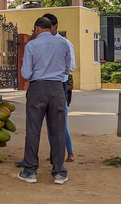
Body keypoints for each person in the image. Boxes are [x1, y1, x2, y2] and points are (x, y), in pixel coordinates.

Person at [18, 17, 72, 185]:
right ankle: (59, 172)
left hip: (37, 88)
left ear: (36, 29)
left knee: (33, 130)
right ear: (51, 28)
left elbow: (26, 74)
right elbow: (67, 69)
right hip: (57, 89)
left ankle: (30, 171)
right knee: (57, 130)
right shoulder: (64, 44)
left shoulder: (31, 45)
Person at [43, 12, 76, 162]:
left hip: (59, 84)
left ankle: (69, 152)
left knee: (60, 121)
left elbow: (71, 67)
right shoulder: (40, 43)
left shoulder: (65, 44)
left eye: (48, 27)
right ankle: (54, 153)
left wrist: (55, 71)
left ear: (55, 27)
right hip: (44, 85)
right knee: (49, 124)